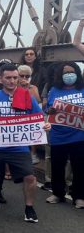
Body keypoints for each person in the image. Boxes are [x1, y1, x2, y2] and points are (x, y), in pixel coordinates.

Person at [0, 63, 50, 223]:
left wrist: (46, 125)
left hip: (18, 147)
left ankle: (29, 208)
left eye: (15, 78)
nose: (12, 81)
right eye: (8, 78)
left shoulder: (27, 97)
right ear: (0, 79)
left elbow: (39, 119)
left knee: (30, 178)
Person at [44, 62, 84, 209]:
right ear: (60, 75)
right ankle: (58, 193)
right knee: (57, 166)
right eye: (65, 72)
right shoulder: (54, 90)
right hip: (59, 135)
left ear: (77, 73)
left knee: (79, 167)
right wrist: (51, 110)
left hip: (79, 135)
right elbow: (48, 108)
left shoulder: (82, 89)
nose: (69, 75)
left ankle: (79, 196)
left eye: (72, 72)